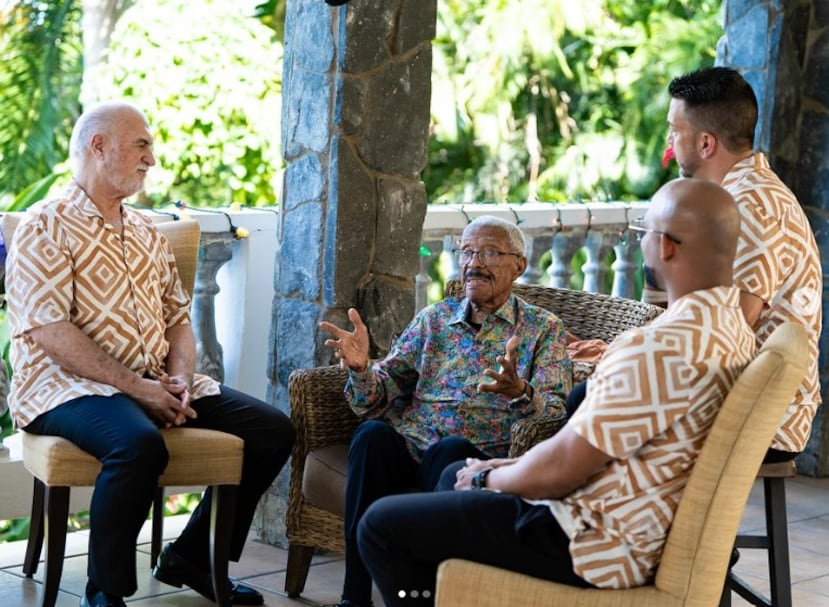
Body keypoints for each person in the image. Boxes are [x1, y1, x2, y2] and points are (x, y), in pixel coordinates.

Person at [355, 178, 756, 605]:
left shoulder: (654, 347)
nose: (473, 263)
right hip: (627, 521)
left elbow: (563, 467)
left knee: (381, 525)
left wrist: (487, 476)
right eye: (467, 252)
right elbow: (585, 448)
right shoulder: (731, 330)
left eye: (642, 233)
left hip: (591, 539)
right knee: (434, 467)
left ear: (665, 246)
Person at [5, 101, 295, 607]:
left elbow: (178, 319)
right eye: (141, 145)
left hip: (151, 379)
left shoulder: (146, 233)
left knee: (273, 431)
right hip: (62, 387)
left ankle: (192, 558)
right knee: (138, 445)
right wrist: (138, 389)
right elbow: (51, 332)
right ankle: (105, 590)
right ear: (98, 146)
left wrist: (177, 382)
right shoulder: (43, 225)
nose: (151, 159)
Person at [318, 215, 572, 607]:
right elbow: (376, 397)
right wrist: (361, 369)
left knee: (451, 448)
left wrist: (521, 391)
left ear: (518, 266)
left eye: (489, 252)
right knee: (371, 436)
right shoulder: (434, 319)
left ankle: (427, 596)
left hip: (470, 458)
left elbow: (556, 414)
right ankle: (354, 598)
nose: (474, 263)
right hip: (411, 448)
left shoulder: (542, 329)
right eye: (467, 252)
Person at [664, 66, 822, 461]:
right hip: (740, 395)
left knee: (591, 398)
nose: (669, 140)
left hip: (762, 417)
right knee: (602, 388)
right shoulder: (743, 192)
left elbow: (732, 326)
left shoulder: (749, 204)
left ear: (705, 143)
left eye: (674, 130)